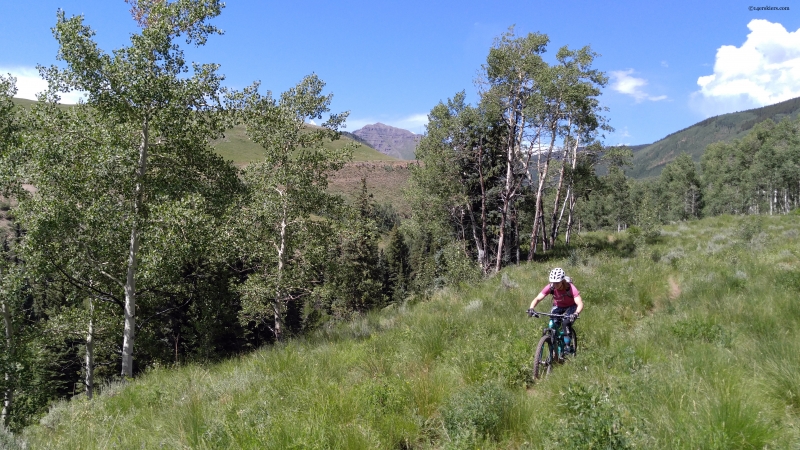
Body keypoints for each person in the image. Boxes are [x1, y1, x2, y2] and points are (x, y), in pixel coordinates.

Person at [528, 267, 583, 353]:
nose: (555, 285)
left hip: (571, 306)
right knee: (552, 323)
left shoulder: (570, 288)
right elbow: (538, 298)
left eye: (557, 283)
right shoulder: (551, 287)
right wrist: (531, 308)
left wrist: (576, 313)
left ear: (562, 281)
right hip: (558, 306)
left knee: (566, 322)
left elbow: (580, 303)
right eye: (553, 282)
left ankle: (567, 347)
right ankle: (555, 343)